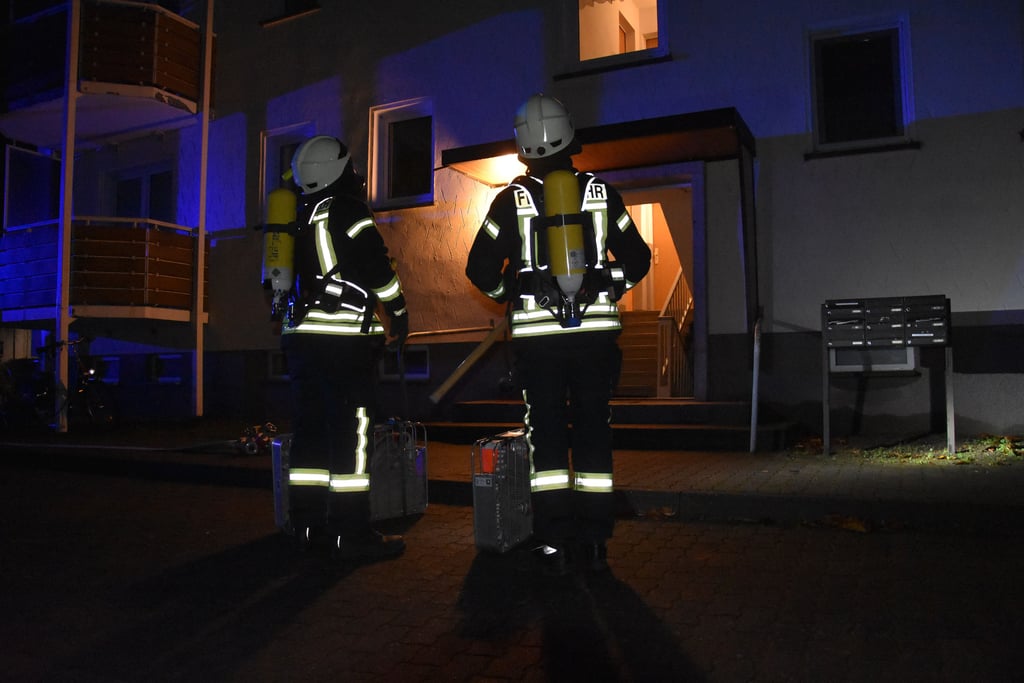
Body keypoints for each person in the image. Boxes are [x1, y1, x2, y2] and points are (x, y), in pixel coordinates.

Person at [465, 94, 651, 574]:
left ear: (524, 149)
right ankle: (594, 541)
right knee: (592, 432)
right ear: (571, 138)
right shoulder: (601, 194)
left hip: (538, 345)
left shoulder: (511, 201)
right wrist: (605, 285)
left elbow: (478, 268)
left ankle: (553, 538)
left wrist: (516, 291)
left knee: (545, 437)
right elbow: (639, 260)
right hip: (594, 344)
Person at [282, 135, 409, 560]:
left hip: (300, 341)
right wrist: (399, 311)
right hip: (344, 345)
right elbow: (378, 269)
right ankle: (351, 534)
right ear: (339, 171)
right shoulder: (350, 211)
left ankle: (305, 527)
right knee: (351, 436)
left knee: (310, 434)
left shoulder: (295, 218)